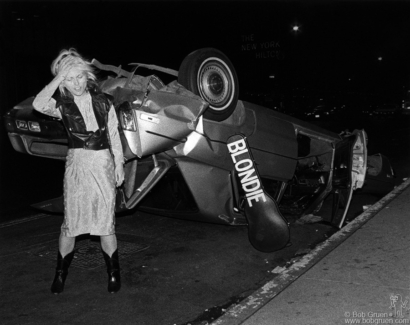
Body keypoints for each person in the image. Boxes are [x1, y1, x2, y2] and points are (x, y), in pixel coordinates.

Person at [32, 48, 125, 294]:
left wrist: (119, 165)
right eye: (69, 79)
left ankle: (114, 274)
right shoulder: (61, 105)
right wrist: (57, 78)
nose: (76, 84)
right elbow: (38, 104)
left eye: (80, 77)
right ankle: (60, 274)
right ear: (63, 81)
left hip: (103, 162)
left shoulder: (105, 102)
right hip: (77, 165)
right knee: (71, 222)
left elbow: (114, 135)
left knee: (106, 222)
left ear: (88, 76)